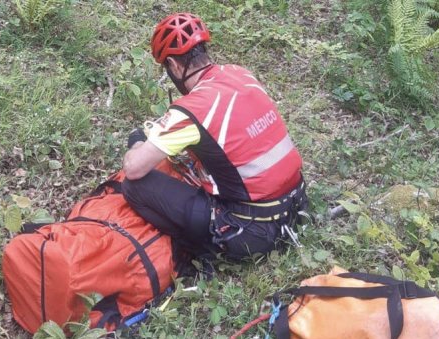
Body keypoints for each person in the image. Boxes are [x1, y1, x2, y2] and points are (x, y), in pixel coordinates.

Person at [121, 13, 308, 261]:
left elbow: (134, 168)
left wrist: (137, 141)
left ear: (174, 66)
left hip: (251, 232)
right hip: (296, 207)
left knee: (134, 186)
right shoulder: (241, 74)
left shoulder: (191, 109)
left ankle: (195, 250)